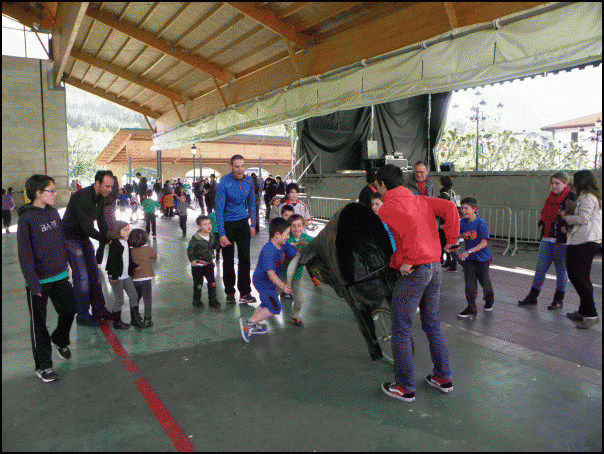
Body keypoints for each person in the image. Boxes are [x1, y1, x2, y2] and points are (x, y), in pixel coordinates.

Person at [376, 164, 459, 403]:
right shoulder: (420, 200)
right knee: (432, 323)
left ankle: (405, 387)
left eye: (377, 185)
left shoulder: (387, 208)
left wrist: (408, 261)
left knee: (401, 328)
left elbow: (409, 232)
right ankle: (443, 377)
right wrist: (451, 239)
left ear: (382, 184)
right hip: (434, 267)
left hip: (417, 270)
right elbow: (450, 208)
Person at [17, 174, 77, 383]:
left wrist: (67, 263)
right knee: (39, 324)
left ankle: (59, 339)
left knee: (70, 308)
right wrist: (34, 284)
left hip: (60, 275)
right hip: (39, 282)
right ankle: (43, 366)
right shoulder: (26, 218)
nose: (55, 194)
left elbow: (60, 240)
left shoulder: (53, 213)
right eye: (51, 190)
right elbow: (25, 254)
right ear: (38, 193)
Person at [62, 170, 114, 327]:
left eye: (111, 186)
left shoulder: (101, 197)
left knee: (94, 274)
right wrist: (104, 239)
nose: (110, 190)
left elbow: (101, 221)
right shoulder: (82, 197)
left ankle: (99, 309)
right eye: (107, 186)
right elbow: (87, 227)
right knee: (82, 278)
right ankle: (83, 314)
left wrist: (109, 237)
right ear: (97, 183)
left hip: (83, 236)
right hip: (71, 237)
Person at [518, 172, 575, 310]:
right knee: (540, 269)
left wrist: (567, 228)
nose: (554, 186)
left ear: (565, 184)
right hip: (547, 238)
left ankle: (558, 299)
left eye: (557, 183)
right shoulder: (550, 197)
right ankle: (532, 296)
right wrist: (542, 224)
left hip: (562, 240)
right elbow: (544, 215)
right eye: (552, 183)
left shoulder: (571, 198)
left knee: (561, 271)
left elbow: (573, 219)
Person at [239, 217, 299, 343]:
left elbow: (297, 253)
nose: (288, 237)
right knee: (275, 307)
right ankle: (249, 324)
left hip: (269, 283)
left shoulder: (283, 245)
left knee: (267, 304)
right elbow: (271, 274)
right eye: (286, 234)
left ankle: (253, 323)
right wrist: (283, 286)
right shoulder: (269, 251)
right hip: (263, 283)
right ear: (277, 235)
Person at [561, 170, 602, 329]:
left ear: (582, 181)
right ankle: (584, 311)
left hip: (585, 241)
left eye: (574, 180)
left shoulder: (588, 197)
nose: (572, 183)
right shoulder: (586, 196)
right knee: (582, 276)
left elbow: (583, 218)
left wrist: (566, 218)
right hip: (584, 240)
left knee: (578, 276)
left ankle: (591, 314)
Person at [215, 155, 257, 305]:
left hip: (243, 223)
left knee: (245, 259)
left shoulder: (249, 181)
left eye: (242, 166)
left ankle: (245, 292)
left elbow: (252, 204)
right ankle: (229, 292)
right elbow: (219, 210)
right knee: (228, 259)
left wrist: (253, 224)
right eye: (237, 166)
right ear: (231, 166)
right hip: (228, 225)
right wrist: (222, 234)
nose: (240, 169)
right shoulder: (224, 182)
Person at [456, 197, 495, 318]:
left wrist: (469, 251)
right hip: (470, 260)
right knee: (470, 284)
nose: (463, 211)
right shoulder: (462, 223)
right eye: (462, 208)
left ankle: (489, 300)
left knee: (485, 282)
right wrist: (461, 235)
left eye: (466, 208)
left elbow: (484, 243)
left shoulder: (481, 224)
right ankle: (471, 308)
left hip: (482, 259)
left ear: (474, 209)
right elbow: (456, 234)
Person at [105, 221, 141, 329]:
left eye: (128, 230)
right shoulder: (115, 244)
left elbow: (128, 258)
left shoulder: (126, 242)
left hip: (125, 275)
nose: (128, 232)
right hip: (116, 277)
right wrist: (114, 276)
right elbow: (111, 262)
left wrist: (134, 265)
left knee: (134, 295)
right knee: (120, 300)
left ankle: (135, 319)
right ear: (118, 231)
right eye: (125, 230)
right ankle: (116, 322)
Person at [281, 214, 313, 326]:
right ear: (289, 227)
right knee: (272, 296)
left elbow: (317, 243)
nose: (297, 229)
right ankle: (266, 310)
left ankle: (295, 316)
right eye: (293, 226)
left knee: (299, 300)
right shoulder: (286, 238)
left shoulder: (307, 238)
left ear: (304, 226)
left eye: (299, 225)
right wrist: (297, 244)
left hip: (297, 276)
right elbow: (285, 248)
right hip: (281, 275)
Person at [187, 215, 220, 309]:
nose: (208, 225)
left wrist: (221, 244)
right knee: (198, 284)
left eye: (209, 223)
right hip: (198, 266)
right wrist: (192, 260)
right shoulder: (196, 238)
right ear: (199, 227)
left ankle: (212, 300)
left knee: (212, 283)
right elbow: (190, 250)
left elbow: (214, 245)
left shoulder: (212, 235)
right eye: (205, 224)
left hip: (209, 264)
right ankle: (196, 300)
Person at [129, 228, 156, 328]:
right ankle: (147, 319)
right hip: (146, 279)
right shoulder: (147, 249)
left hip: (134, 279)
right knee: (147, 299)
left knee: (135, 298)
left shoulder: (130, 251)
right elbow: (155, 256)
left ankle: (135, 317)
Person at [437, 175, 461, 271]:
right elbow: (458, 207)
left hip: (444, 221)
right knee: (450, 242)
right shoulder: (454, 193)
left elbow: (440, 209)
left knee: (442, 242)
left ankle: (451, 262)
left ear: (441, 183)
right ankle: (450, 262)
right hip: (453, 220)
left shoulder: (443, 194)